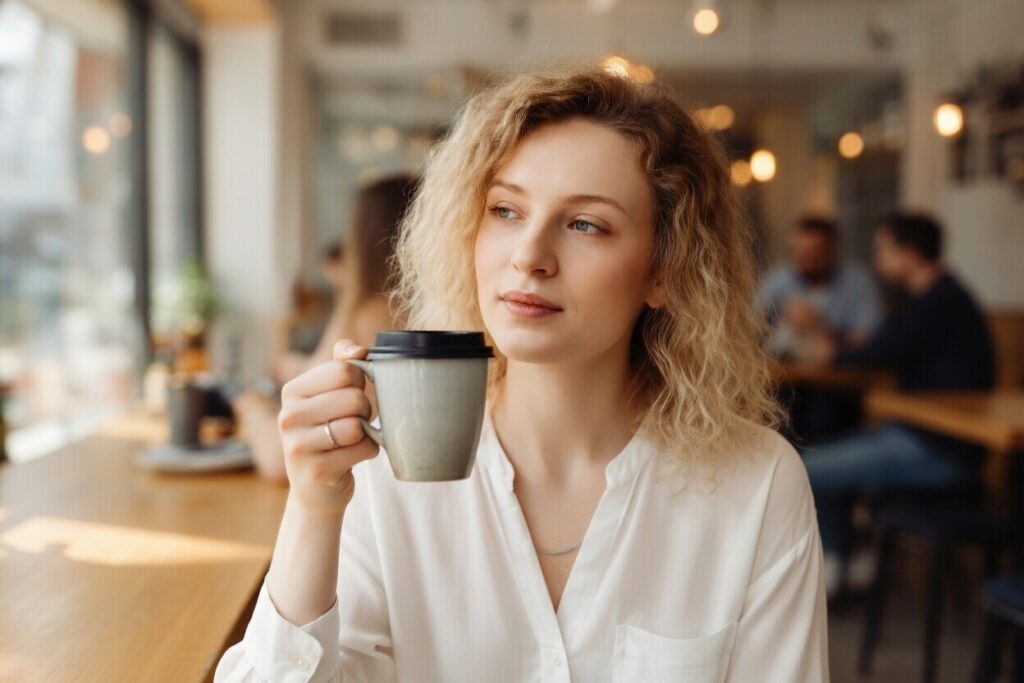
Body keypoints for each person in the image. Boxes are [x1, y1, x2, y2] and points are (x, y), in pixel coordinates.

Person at [216, 66, 828, 681]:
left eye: (586, 223)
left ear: (664, 271)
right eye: (506, 210)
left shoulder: (759, 487)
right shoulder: (384, 472)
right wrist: (313, 510)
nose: (529, 256)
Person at [802, 211, 994, 594]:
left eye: (883, 251)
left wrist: (832, 352)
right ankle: (843, 560)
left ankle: (836, 566)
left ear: (907, 254)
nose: (877, 262)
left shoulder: (937, 304)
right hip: (927, 437)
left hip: (941, 449)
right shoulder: (944, 298)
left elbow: (879, 350)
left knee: (806, 468)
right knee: (829, 449)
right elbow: (886, 345)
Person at [233, 175, 416, 482]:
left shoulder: (366, 317)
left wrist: (254, 411)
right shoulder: (425, 314)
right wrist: (299, 367)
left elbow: (282, 460)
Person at [759, 215, 882, 362]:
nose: (805, 260)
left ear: (833, 251)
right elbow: (751, 326)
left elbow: (870, 340)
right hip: (785, 371)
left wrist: (818, 325)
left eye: (814, 252)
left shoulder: (857, 282)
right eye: (798, 251)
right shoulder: (779, 280)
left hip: (840, 374)